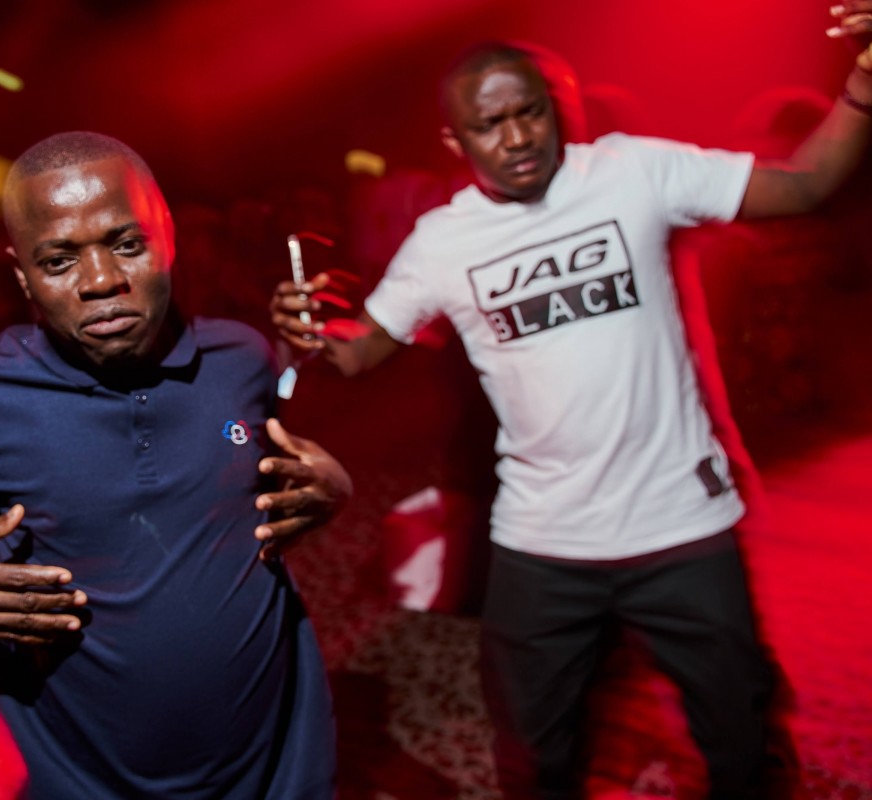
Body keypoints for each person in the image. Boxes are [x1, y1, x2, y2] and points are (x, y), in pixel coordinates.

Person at [271, 9, 872, 798]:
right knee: (537, 759)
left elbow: (805, 183)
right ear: (455, 141)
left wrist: (864, 80)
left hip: (682, 531)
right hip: (543, 544)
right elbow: (362, 349)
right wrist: (312, 330)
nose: (517, 137)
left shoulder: (633, 172)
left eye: (530, 112)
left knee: (745, 747)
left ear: (558, 107)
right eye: (489, 126)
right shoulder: (443, 240)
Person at [0, 131, 351, 799]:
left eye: (127, 245)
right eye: (59, 260)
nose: (102, 281)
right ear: (22, 274)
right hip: (81, 774)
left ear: (169, 238)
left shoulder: (242, 360)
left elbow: (273, 479)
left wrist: (334, 489)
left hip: (276, 755)